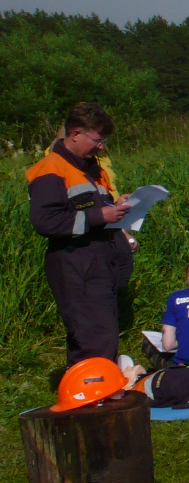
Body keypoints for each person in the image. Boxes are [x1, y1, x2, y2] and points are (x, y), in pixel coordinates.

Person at [25, 102, 134, 367]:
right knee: (95, 336)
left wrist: (115, 206)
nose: (101, 147)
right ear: (75, 134)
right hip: (75, 262)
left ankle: (85, 395)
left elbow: (91, 206)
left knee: (96, 334)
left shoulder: (89, 166)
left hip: (100, 258)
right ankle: (94, 399)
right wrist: (101, 216)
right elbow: (46, 222)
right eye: (97, 140)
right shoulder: (51, 168)